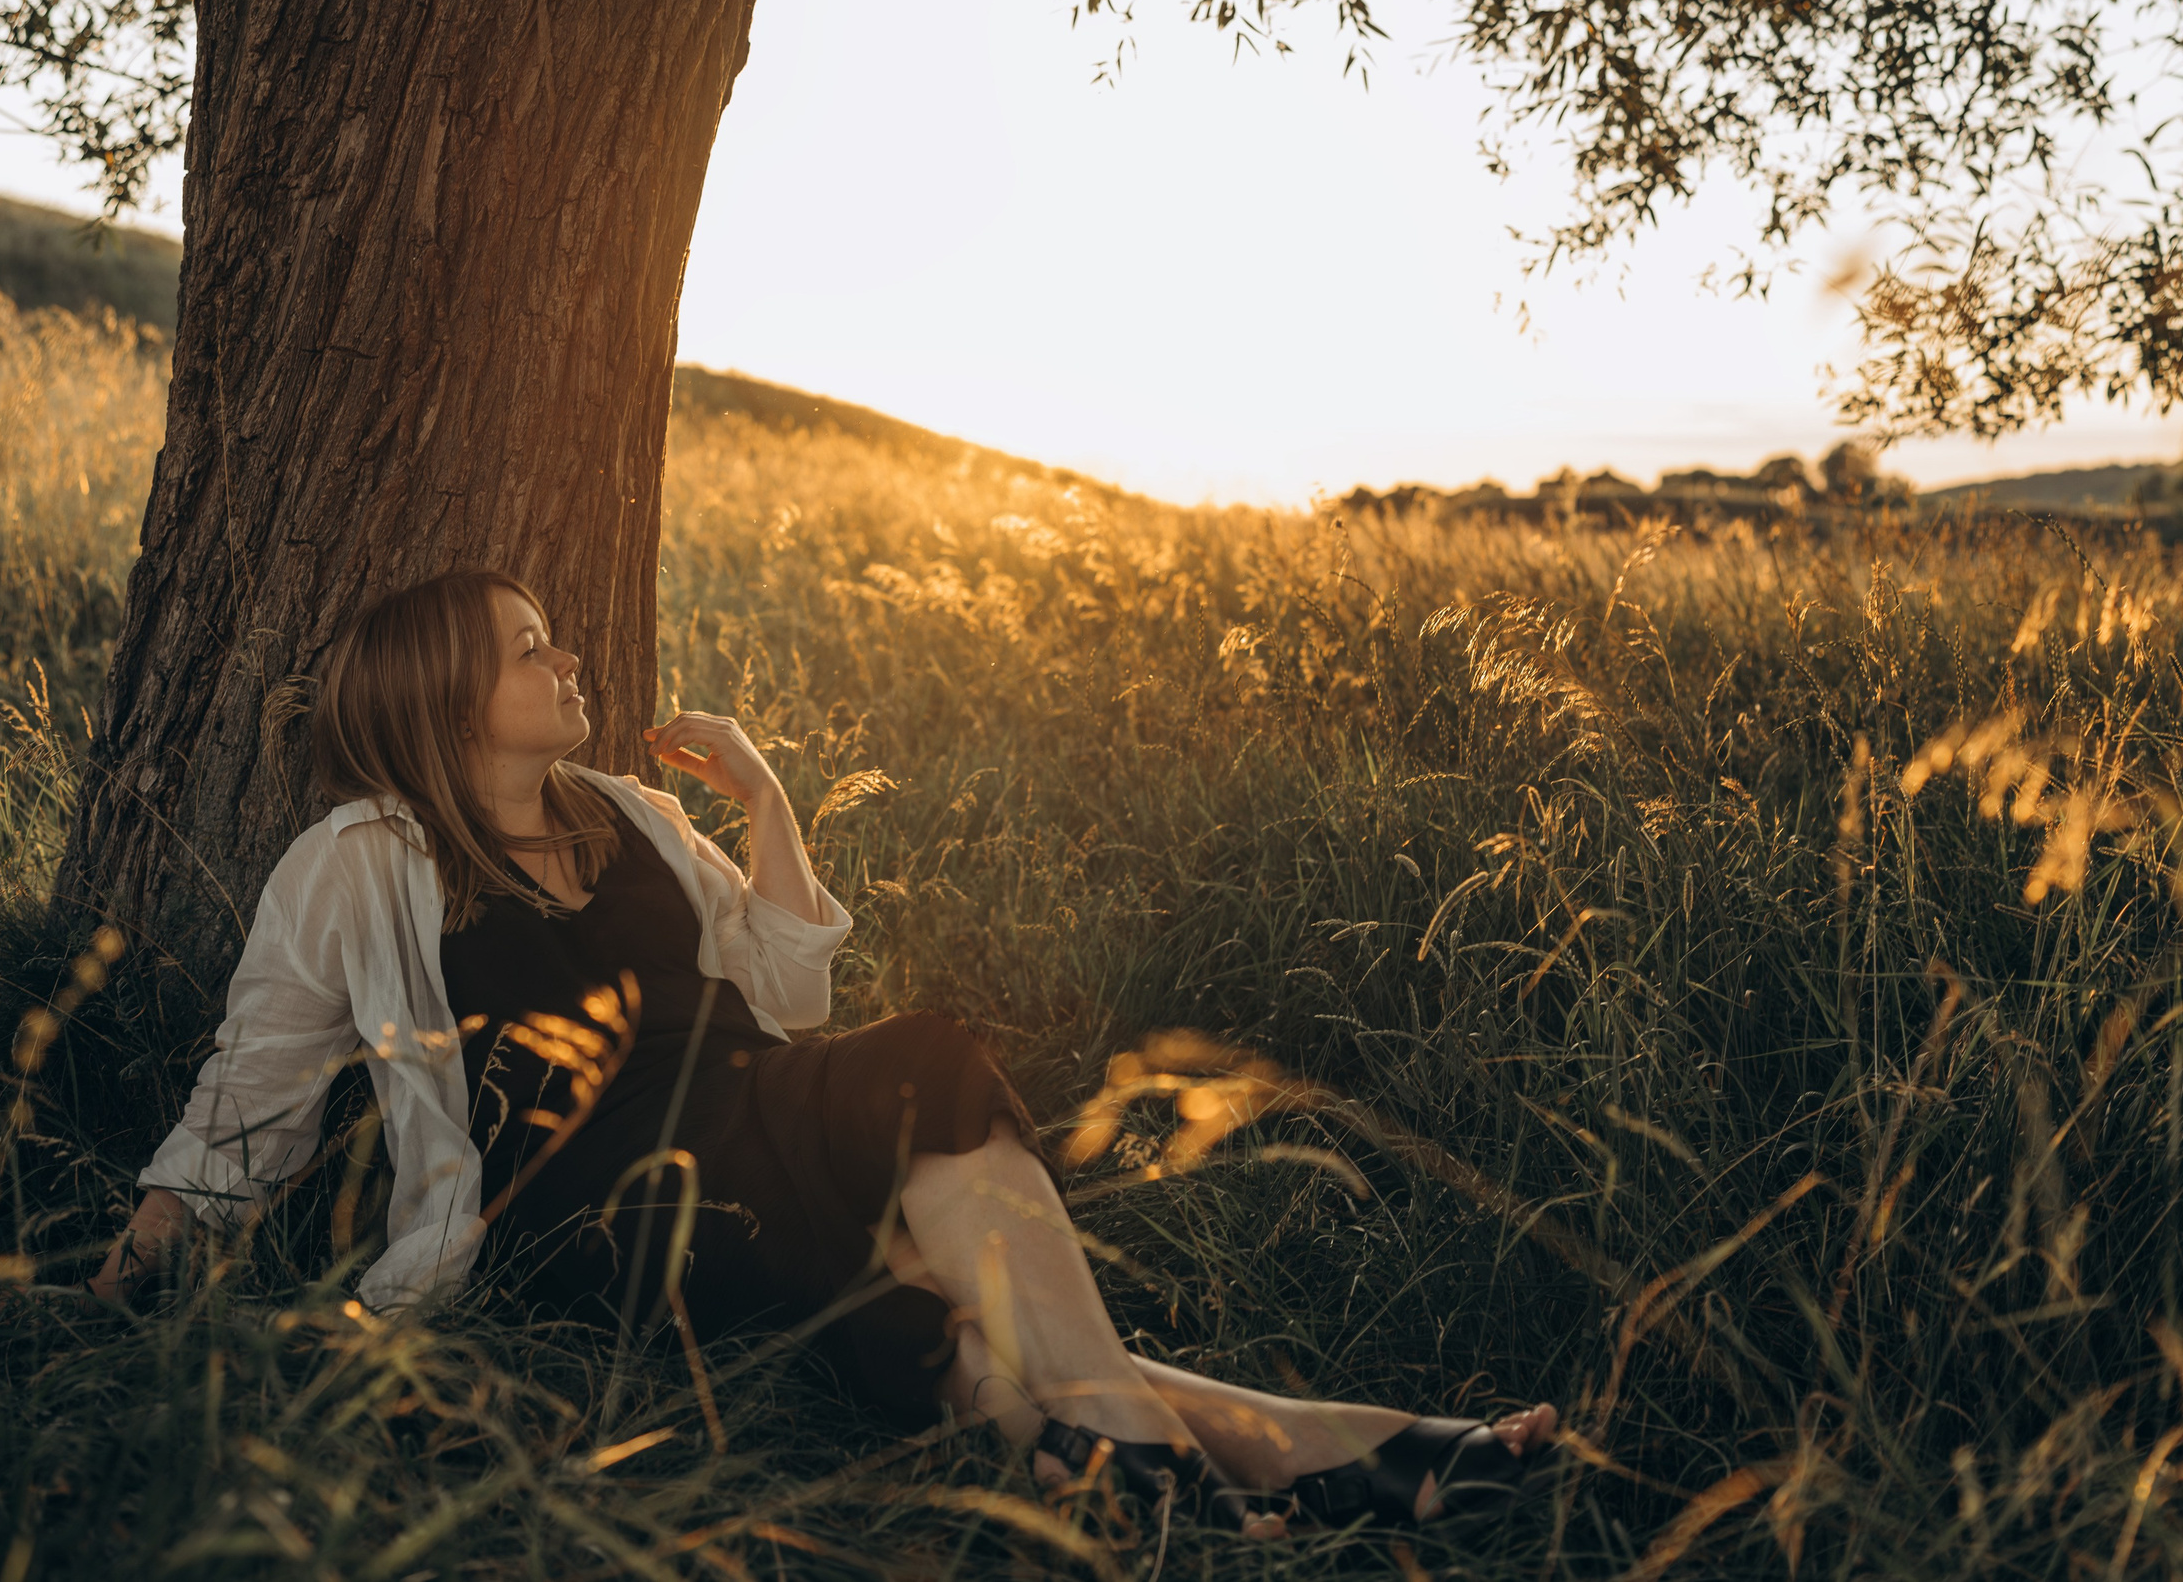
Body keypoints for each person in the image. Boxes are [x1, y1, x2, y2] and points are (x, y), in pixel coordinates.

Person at [89, 570, 1557, 1537]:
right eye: (530, 649)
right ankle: (1154, 1445)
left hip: (752, 1123)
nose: (567, 655)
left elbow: (783, 994)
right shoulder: (365, 858)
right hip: (590, 1211)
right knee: (927, 1063)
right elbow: (257, 1077)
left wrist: (769, 801)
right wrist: (154, 1249)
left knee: (980, 1343)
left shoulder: (628, 814)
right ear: (442, 699)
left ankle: (1381, 1462)